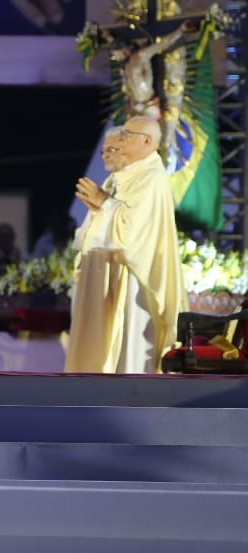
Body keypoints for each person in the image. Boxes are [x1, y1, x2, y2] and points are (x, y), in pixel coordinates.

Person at [64, 118, 186, 374]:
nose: (121, 139)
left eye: (128, 134)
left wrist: (104, 204)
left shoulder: (151, 178)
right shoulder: (121, 176)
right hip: (106, 274)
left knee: (127, 348)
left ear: (147, 142)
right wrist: (100, 206)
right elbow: (101, 225)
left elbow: (134, 230)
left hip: (132, 278)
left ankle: (129, 400)